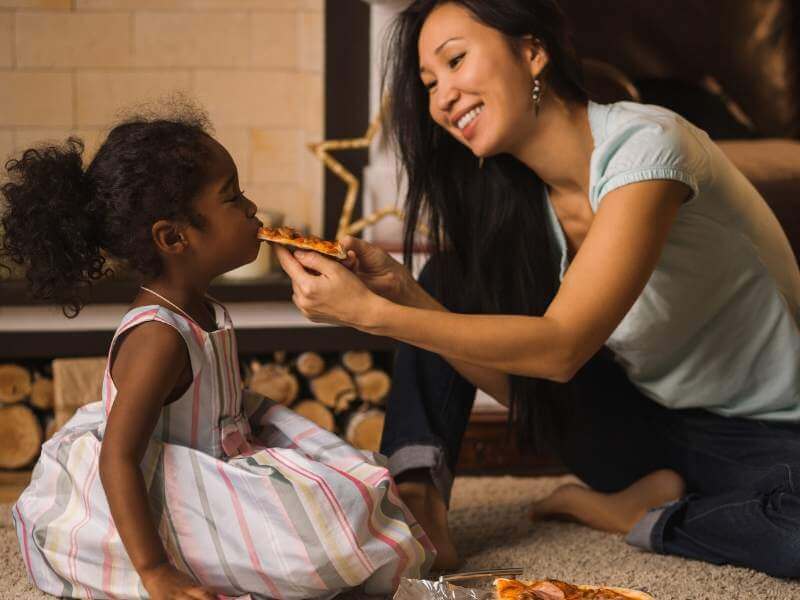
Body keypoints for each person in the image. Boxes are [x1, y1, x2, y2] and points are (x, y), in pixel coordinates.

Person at [273, 0, 800, 579]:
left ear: (532, 51)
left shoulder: (648, 146)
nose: (441, 96)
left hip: (768, 433)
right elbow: (535, 386)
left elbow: (561, 346)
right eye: (428, 82)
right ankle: (419, 507)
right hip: (637, 430)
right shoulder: (520, 207)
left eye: (455, 61)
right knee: (448, 276)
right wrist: (402, 294)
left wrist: (376, 315)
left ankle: (649, 516)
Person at [2, 105, 433, 600]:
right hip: (173, 494)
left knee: (351, 498)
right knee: (320, 545)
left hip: (226, 458)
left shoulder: (198, 307)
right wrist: (155, 571)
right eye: (232, 197)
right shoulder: (158, 337)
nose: (253, 210)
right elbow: (118, 457)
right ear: (173, 237)